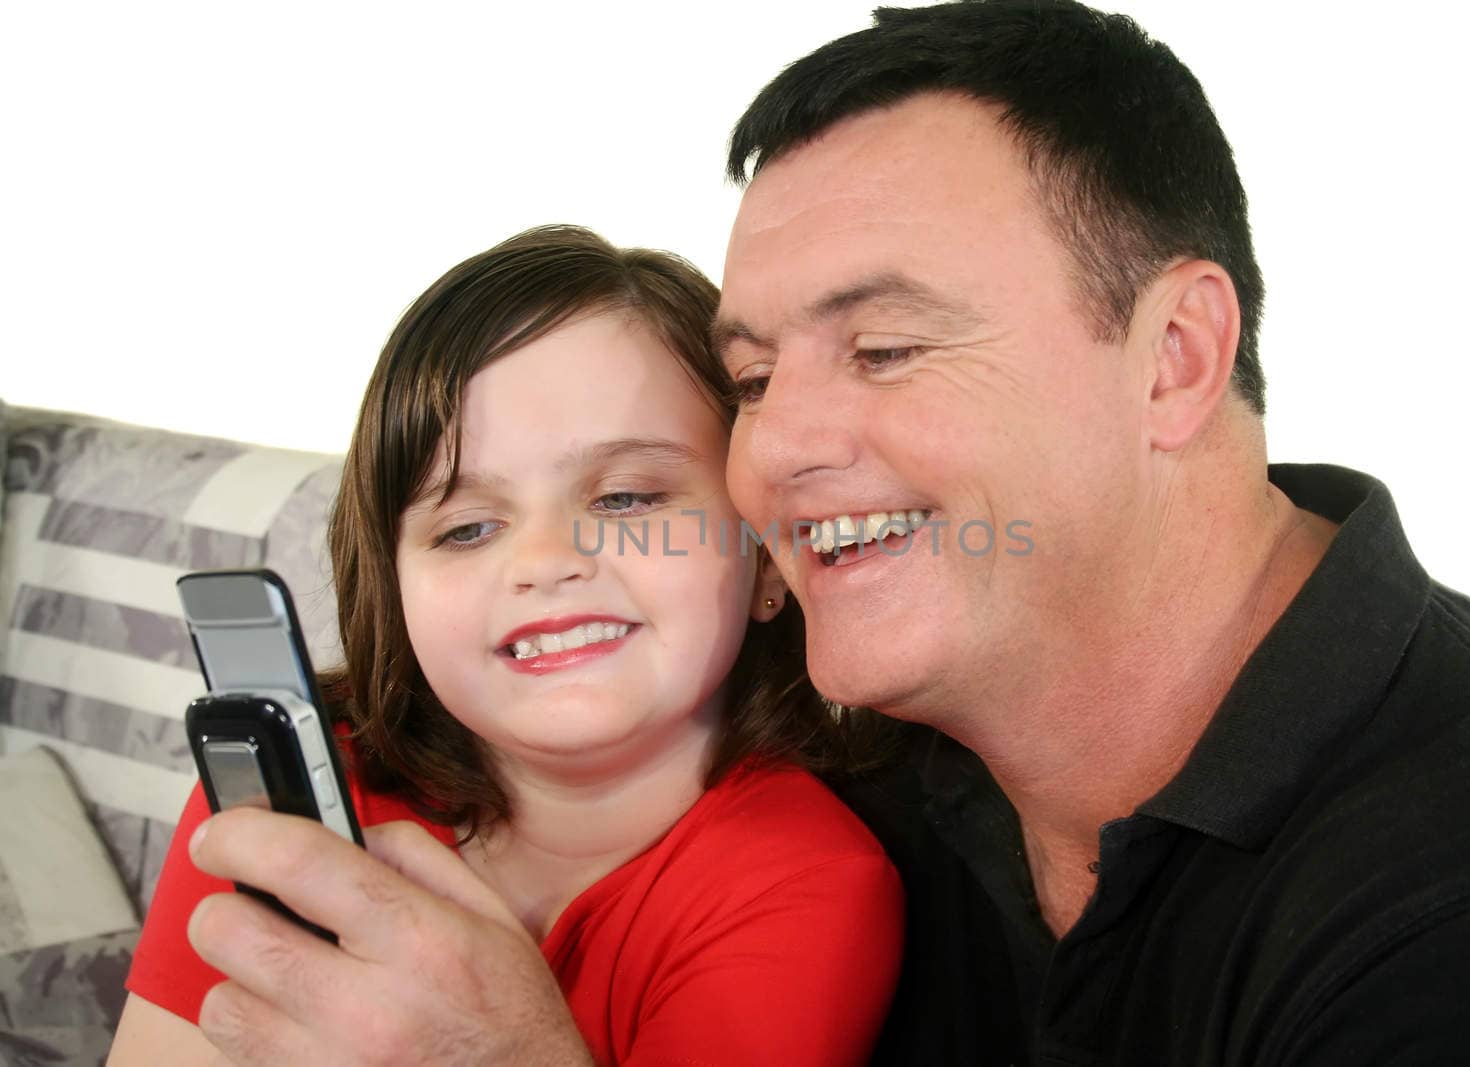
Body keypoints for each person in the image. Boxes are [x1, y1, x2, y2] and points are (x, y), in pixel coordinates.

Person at [123, 3, 1470, 1065]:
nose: (779, 452)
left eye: (885, 348)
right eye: (755, 378)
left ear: (1173, 357)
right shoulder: (880, 733)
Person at [107, 225, 902, 1065]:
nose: (545, 563)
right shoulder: (296, 798)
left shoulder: (808, 885)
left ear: (767, 553)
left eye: (627, 498)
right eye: (468, 527)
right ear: (394, 590)